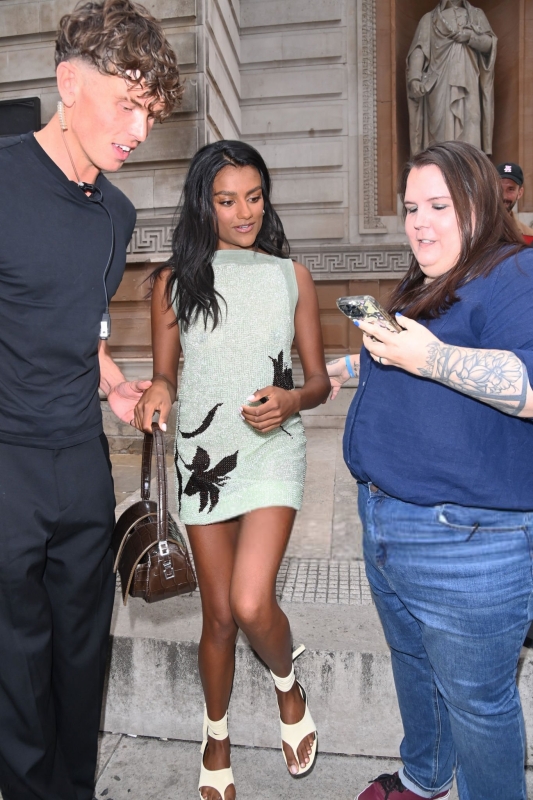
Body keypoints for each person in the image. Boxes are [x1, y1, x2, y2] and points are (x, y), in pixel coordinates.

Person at [0, 3, 181, 799]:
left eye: (151, 112)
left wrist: (112, 383)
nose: (139, 130)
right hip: (4, 462)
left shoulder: (117, 212)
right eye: (127, 104)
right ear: (70, 83)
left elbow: (84, 322)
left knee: (82, 652)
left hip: (79, 462)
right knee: (14, 659)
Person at [327, 141, 533, 800]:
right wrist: (360, 364)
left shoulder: (514, 271)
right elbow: (430, 357)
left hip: (467, 543)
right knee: (415, 668)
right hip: (387, 522)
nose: (419, 222)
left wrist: (430, 359)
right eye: (411, 207)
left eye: (438, 206)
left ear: (477, 205)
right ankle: (423, 776)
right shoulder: (433, 277)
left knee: (477, 704)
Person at [134, 140, 330, 800]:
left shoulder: (290, 276)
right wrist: (159, 389)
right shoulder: (171, 282)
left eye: (253, 196)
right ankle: (214, 735)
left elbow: (320, 381)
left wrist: (292, 400)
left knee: (250, 602)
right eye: (226, 200)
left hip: (273, 447)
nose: (243, 212)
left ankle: (286, 683)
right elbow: (166, 372)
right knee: (217, 616)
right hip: (202, 456)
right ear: (202, 204)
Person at [406, 0, 497, 156]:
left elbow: (490, 44)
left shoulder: (476, 14)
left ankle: (470, 169)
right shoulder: (429, 19)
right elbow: (419, 49)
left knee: (471, 122)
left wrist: (470, 37)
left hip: (469, 79)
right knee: (441, 130)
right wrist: (414, 77)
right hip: (439, 82)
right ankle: (441, 169)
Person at [496, 161, 533, 244]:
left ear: (520, 193)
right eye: (500, 188)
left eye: (511, 189)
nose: (504, 196)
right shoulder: (475, 230)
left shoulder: (529, 237)